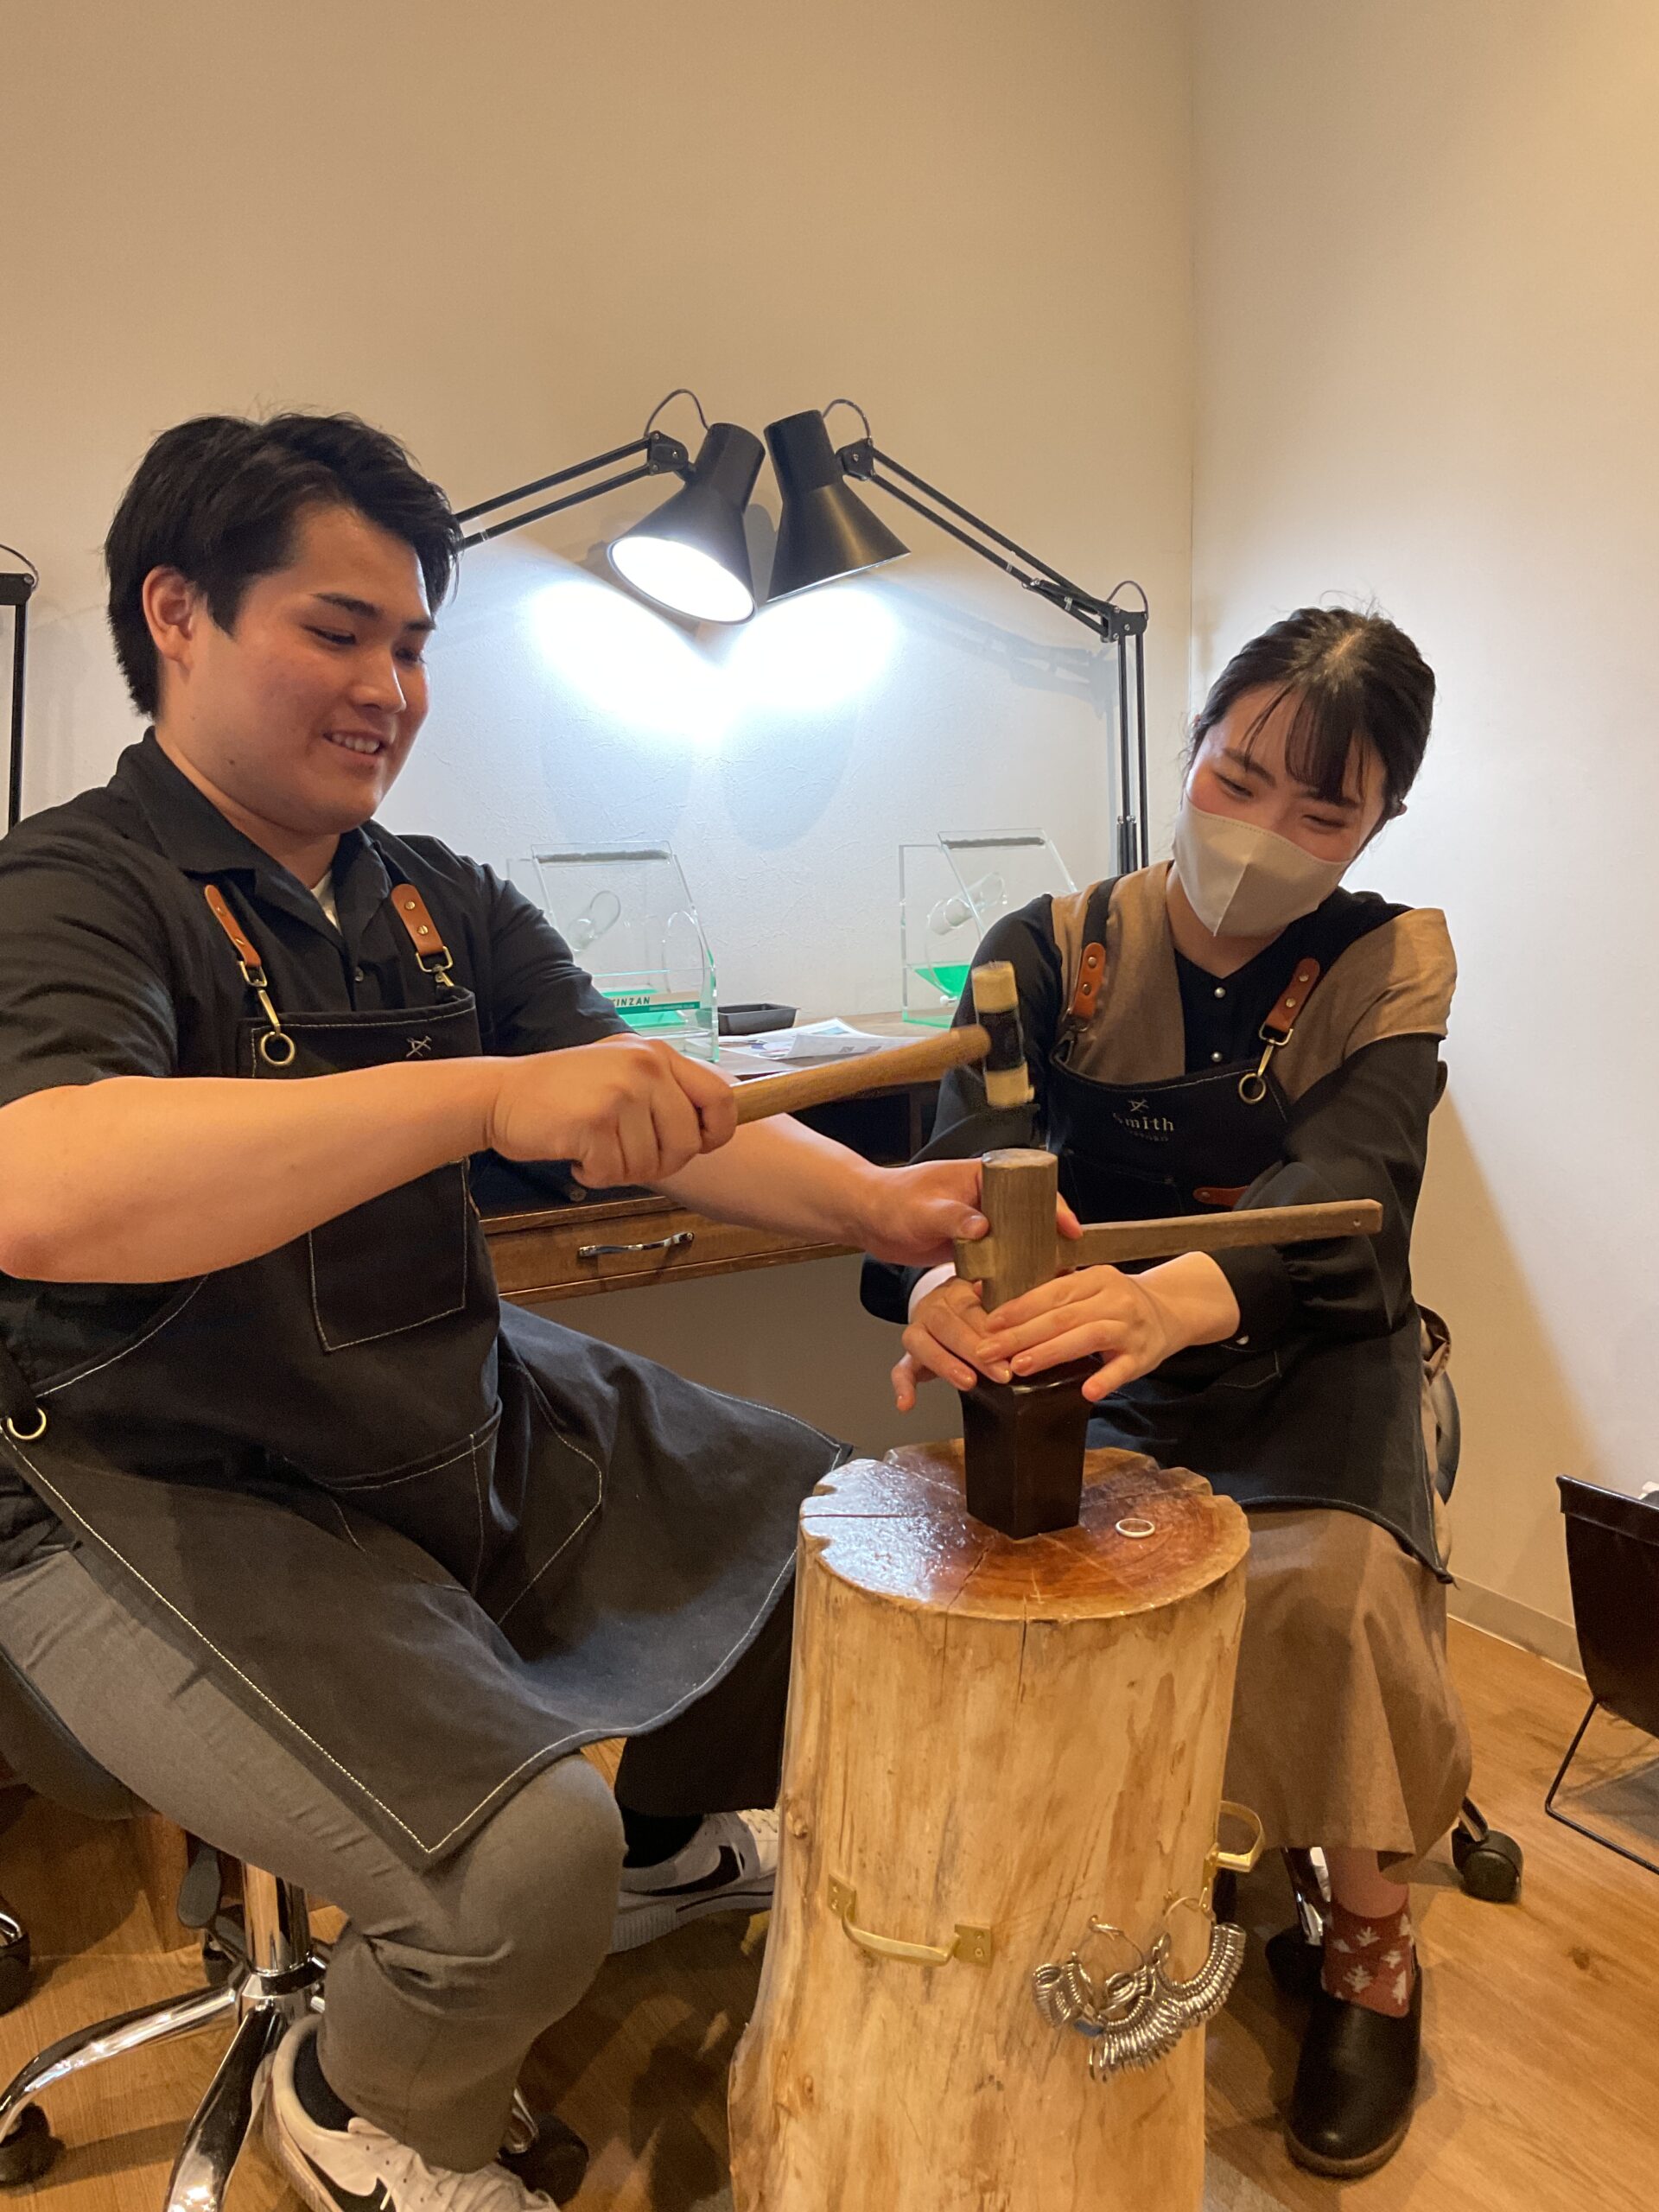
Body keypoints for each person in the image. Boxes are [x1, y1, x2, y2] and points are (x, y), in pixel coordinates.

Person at [0, 412, 996, 2212]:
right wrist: (480, 1098)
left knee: (830, 1548)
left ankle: (670, 1857)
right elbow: (47, 1182)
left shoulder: (434, 901)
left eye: (413, 645)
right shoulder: (72, 889)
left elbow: (658, 1101)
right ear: (178, 613)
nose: (389, 689)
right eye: (338, 631)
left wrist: (886, 1206)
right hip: (147, 1479)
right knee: (519, 1864)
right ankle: (362, 2104)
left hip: (429, 1406)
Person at [863, 607, 1471, 2180]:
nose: (1262, 832)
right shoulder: (1050, 950)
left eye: (1323, 809)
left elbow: (1356, 1185)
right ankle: (1126, 1879)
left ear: (1382, 819)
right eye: (1237, 777)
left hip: (1309, 1347)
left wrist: (1169, 1295)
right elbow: (953, 1172)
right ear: (1188, 752)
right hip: (1098, 1354)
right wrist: (940, 1294)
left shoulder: (1391, 961)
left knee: (1333, 1594)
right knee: (1056, 1591)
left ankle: (1368, 1940)